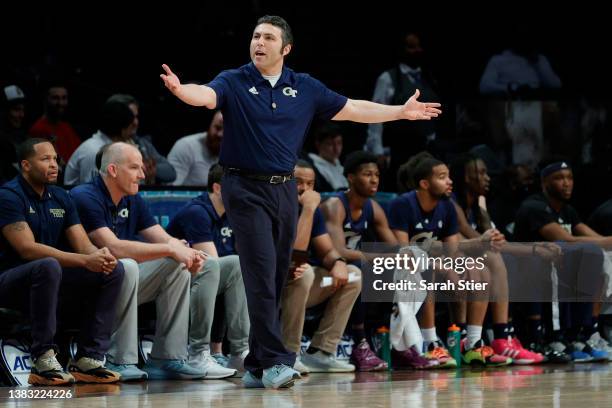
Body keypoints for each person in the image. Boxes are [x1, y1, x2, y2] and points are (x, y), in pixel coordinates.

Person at [160, 15, 441, 389]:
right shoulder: (235, 79)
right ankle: (278, 361)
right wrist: (182, 91)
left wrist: (400, 113)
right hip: (242, 186)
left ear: (285, 48)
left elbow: (353, 109)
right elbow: (207, 95)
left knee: (276, 274)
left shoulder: (304, 87)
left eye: (268, 38)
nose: (258, 43)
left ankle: (258, 363)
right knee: (260, 268)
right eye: (255, 36)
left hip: (284, 189)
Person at [70, 142, 209, 381]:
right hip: (85, 284)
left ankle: (168, 358)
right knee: (128, 265)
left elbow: (166, 239)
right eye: (135, 168)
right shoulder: (85, 196)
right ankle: (118, 359)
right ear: (113, 170)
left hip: (120, 281)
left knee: (177, 266)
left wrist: (189, 255)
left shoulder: (132, 198)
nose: (143, 175)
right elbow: (112, 247)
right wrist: (170, 249)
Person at [0, 138, 124, 385]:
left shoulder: (60, 197)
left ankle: (89, 358)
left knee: (113, 270)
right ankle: (43, 358)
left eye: (55, 159)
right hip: (9, 281)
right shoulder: (8, 196)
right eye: (45, 159)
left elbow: (83, 245)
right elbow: (26, 249)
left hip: (48, 279)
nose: (54, 164)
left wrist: (100, 257)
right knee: (47, 264)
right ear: (25, 165)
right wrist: (84, 260)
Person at [514, 159, 612, 361]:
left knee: (598, 258)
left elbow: (596, 239)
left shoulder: (568, 211)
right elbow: (566, 239)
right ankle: (554, 337)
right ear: (544, 183)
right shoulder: (535, 207)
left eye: (569, 178)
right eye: (559, 178)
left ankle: (584, 334)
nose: (566, 183)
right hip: (527, 270)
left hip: (561, 269)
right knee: (582, 257)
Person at [321, 151, 407, 370]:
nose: (374, 179)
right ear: (350, 177)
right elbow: (339, 250)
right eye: (367, 174)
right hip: (325, 271)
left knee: (408, 271)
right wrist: (382, 258)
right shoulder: (335, 205)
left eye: (377, 174)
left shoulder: (373, 207)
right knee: (361, 268)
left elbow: (395, 248)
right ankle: (360, 343)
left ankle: (404, 343)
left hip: (355, 269)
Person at [166, 163, 249, 377]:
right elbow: (211, 263)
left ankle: (240, 352)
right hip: (175, 280)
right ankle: (199, 352)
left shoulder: (234, 213)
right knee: (216, 267)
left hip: (204, 278)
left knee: (238, 266)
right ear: (218, 188)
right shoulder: (197, 212)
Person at [281, 160, 360, 373]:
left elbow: (326, 250)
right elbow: (293, 257)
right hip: (274, 284)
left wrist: (338, 262)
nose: (304, 189)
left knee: (353, 275)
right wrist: (307, 209)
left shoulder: (312, 211)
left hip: (301, 284)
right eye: (298, 182)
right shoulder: (277, 206)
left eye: (310, 184)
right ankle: (289, 353)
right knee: (303, 272)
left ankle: (321, 352)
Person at [365, 32, 440, 190]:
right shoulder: (388, 78)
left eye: (419, 46)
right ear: (402, 50)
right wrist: (377, 150)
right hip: (399, 150)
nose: (416, 51)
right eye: (411, 47)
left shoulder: (428, 78)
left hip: (426, 149)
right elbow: (375, 115)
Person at [106, 94, 176, 185]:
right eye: (130, 117)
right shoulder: (103, 148)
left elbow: (171, 172)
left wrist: (148, 168)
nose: (135, 122)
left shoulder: (141, 143)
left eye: (136, 117)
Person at [64, 100, 135, 185]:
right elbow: (90, 194)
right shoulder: (94, 151)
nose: (132, 133)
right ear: (123, 130)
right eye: (131, 127)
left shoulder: (109, 149)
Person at [29, 82, 81, 163]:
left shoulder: (66, 127)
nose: (60, 103)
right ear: (45, 99)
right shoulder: (38, 129)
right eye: (55, 98)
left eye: (64, 98)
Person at [167, 111, 223, 186]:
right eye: (217, 128)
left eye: (227, 130)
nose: (220, 134)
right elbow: (170, 190)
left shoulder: (238, 152)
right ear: (209, 125)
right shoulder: (185, 146)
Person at [306, 123, 348, 192]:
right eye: (330, 144)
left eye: (339, 143)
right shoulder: (314, 167)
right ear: (318, 144)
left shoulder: (341, 167)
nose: (336, 149)